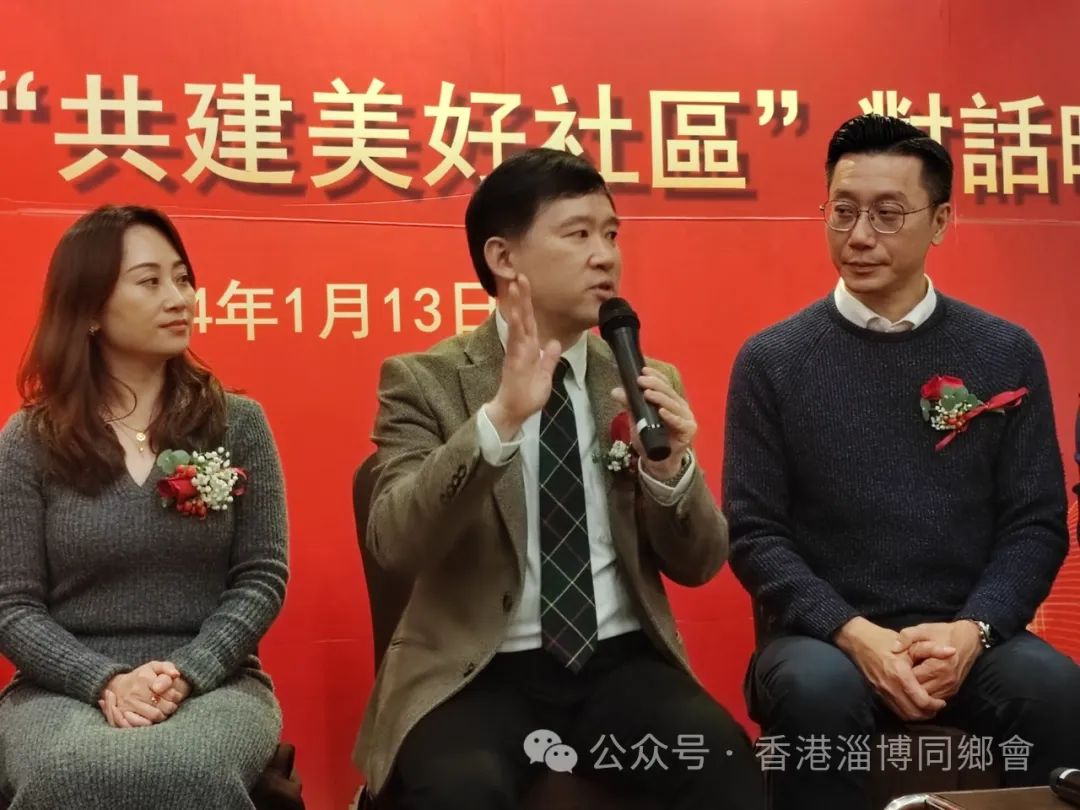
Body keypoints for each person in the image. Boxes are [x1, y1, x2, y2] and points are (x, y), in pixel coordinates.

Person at [353, 148, 762, 809]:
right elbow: (396, 542)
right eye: (578, 234)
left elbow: (700, 563)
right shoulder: (425, 380)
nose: (605, 256)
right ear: (503, 257)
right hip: (476, 674)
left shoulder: (640, 379)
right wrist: (499, 420)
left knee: (724, 763)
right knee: (459, 792)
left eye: (611, 234)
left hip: (620, 665)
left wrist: (669, 470)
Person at [723, 114, 1080, 810]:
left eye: (888, 215)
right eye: (843, 211)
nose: (860, 236)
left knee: (1059, 693)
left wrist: (972, 631)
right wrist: (854, 634)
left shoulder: (1004, 351)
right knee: (815, 694)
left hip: (967, 633)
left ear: (941, 220)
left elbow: (1035, 523)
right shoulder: (773, 361)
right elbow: (755, 533)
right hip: (823, 639)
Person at [0, 205, 289, 809]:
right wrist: (102, 680)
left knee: (188, 769)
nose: (179, 299)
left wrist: (187, 671)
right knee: (67, 773)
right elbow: (12, 604)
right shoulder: (29, 439)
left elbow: (261, 578)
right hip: (60, 689)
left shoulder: (237, 423)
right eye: (150, 281)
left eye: (183, 279)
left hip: (215, 682)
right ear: (89, 310)